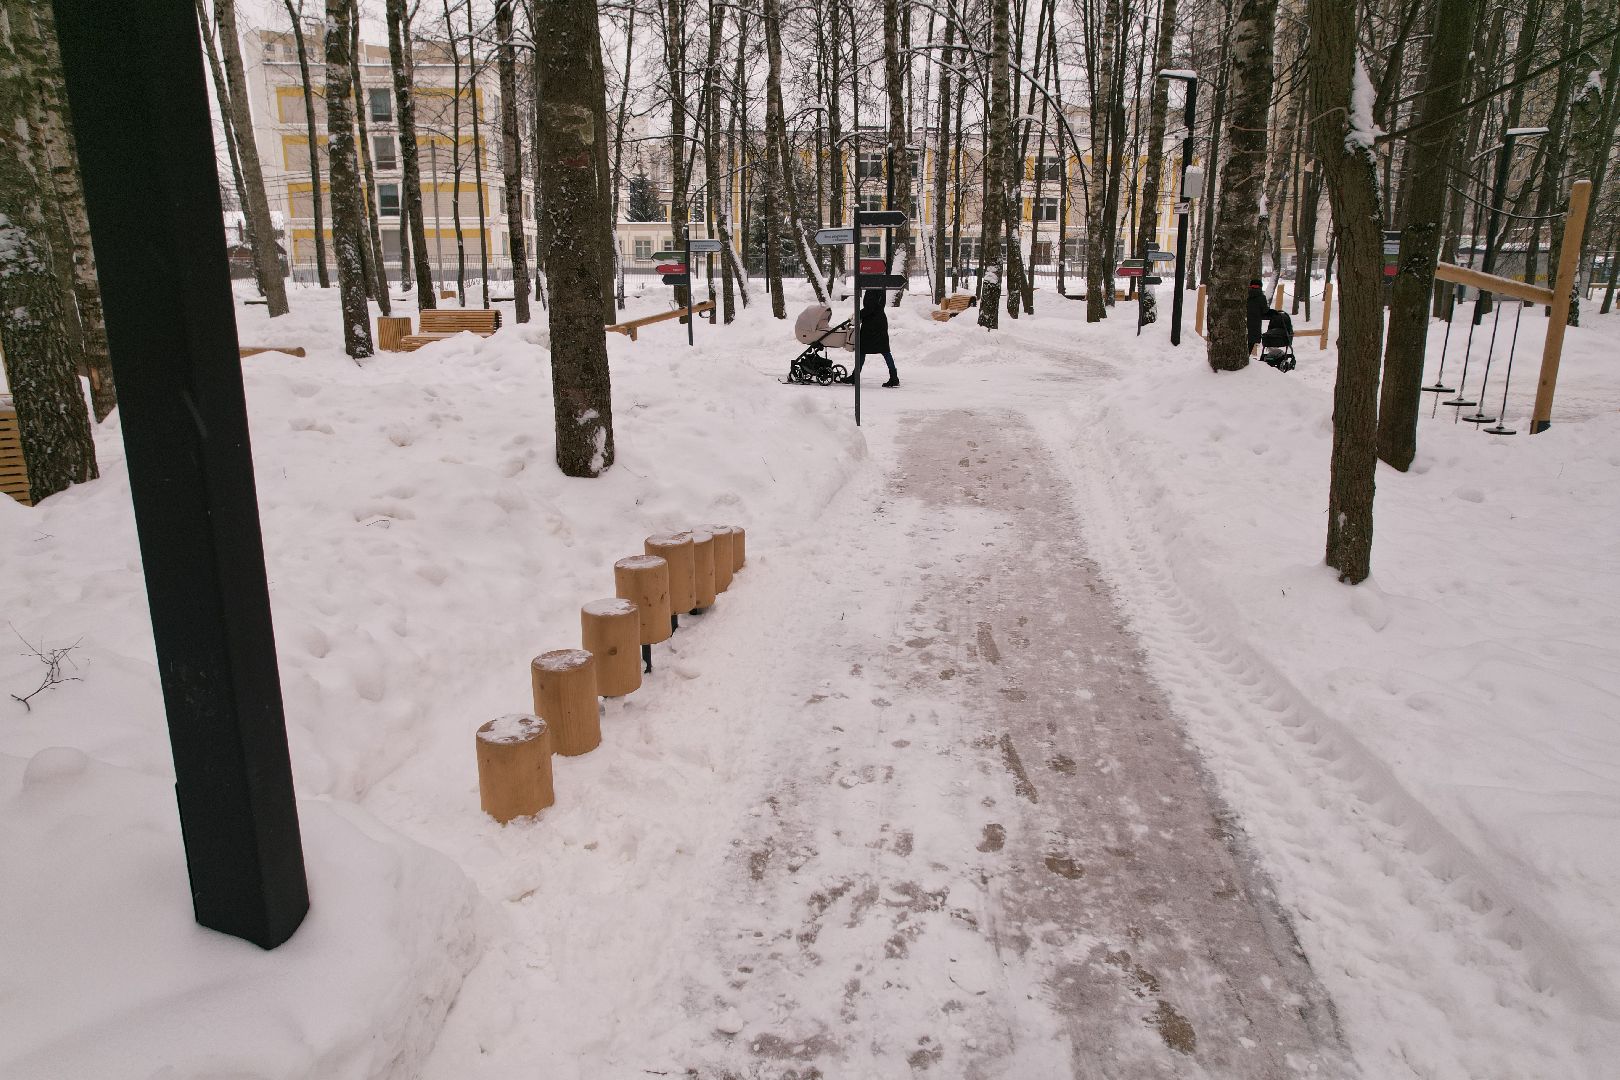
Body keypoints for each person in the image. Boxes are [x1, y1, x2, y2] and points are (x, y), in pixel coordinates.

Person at [853, 288, 900, 388]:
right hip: (879, 322)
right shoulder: (880, 287)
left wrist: (858, 314)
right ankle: (894, 377)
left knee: (862, 349)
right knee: (884, 350)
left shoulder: (872, 288)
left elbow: (870, 308)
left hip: (872, 324)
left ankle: (855, 376)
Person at [1246, 278, 1272, 351]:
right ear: (1260, 286)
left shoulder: (1245, 295)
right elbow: (1265, 311)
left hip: (1243, 323)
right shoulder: (1261, 297)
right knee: (1251, 343)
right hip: (1255, 324)